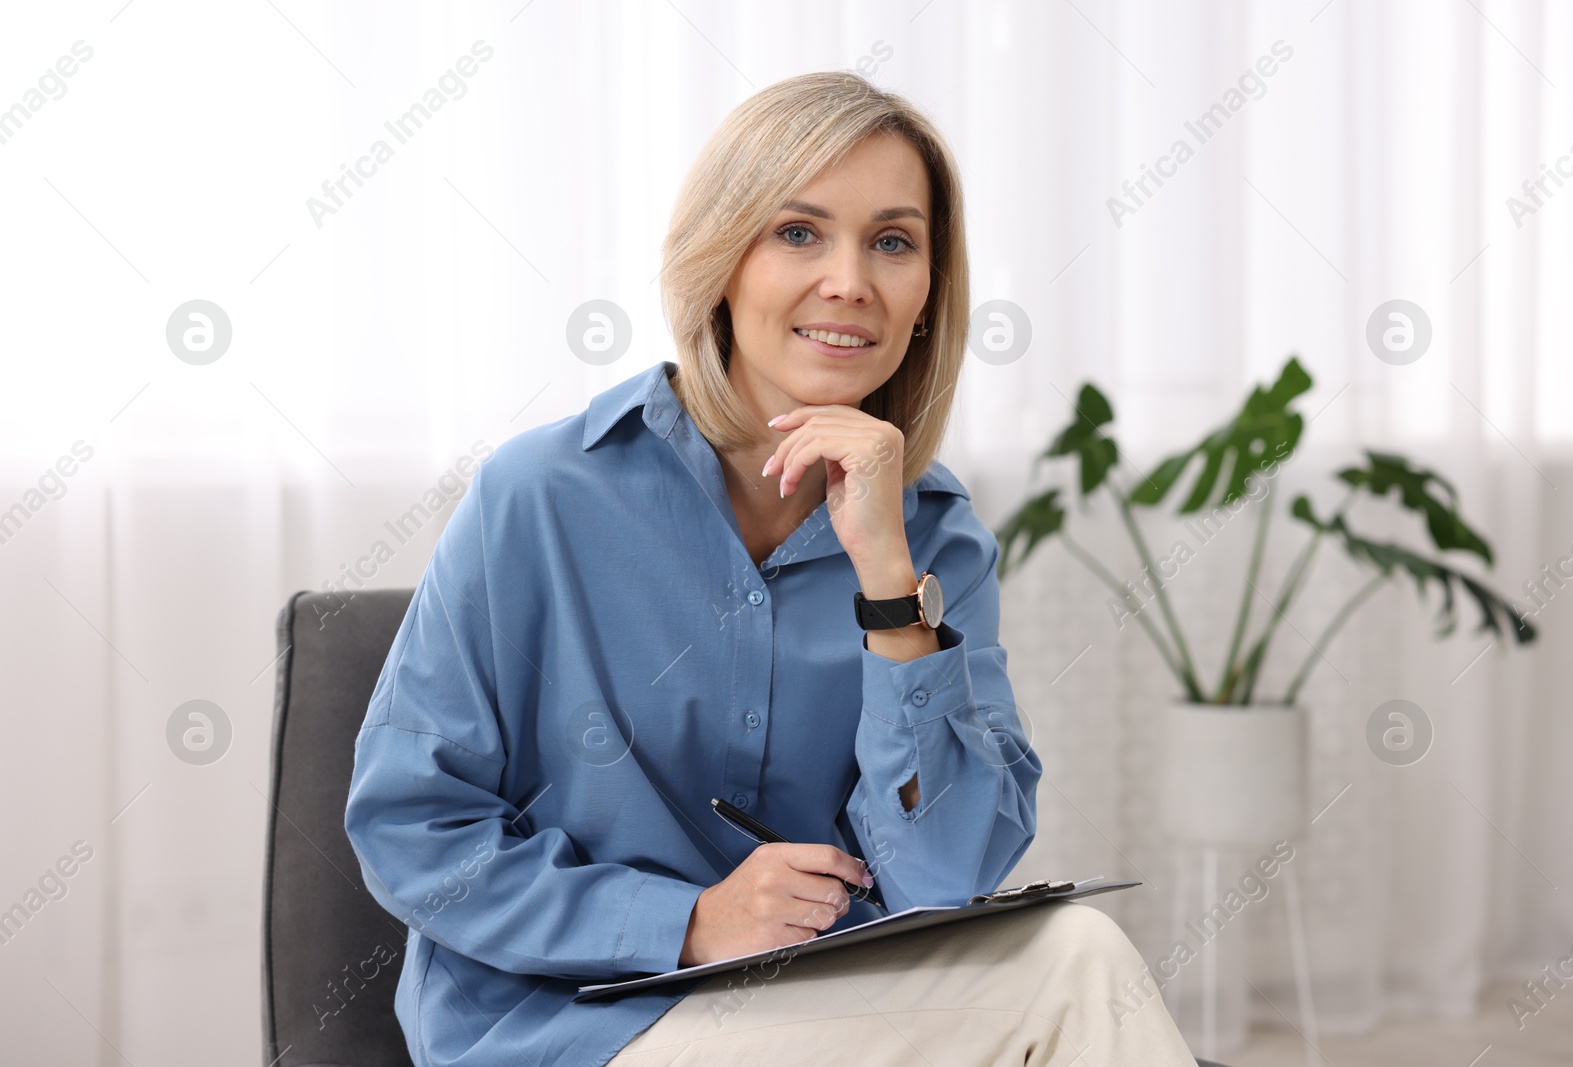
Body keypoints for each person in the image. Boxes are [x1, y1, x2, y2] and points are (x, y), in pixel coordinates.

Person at [345, 69, 1197, 1066]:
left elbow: (945, 873)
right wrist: (688, 920)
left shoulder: (934, 534)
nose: (849, 281)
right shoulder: (540, 493)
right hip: (566, 1026)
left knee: (1075, 951)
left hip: (826, 1008)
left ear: (928, 292)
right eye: (798, 232)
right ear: (723, 262)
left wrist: (885, 574)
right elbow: (415, 827)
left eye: (892, 240)